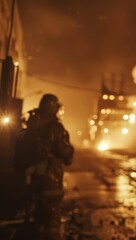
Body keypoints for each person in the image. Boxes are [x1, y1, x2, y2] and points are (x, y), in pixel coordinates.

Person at [14, 93, 74, 239]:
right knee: (51, 214)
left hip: (30, 175)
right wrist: (70, 150)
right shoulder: (55, 127)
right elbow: (63, 151)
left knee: (34, 210)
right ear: (52, 107)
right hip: (50, 177)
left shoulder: (33, 121)